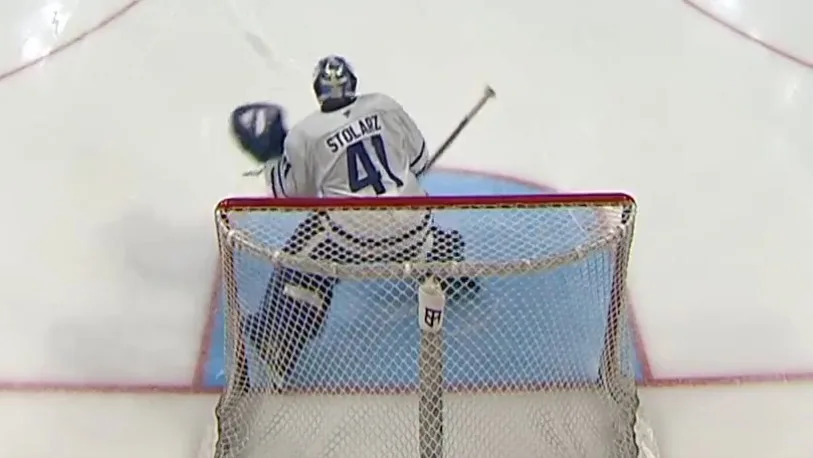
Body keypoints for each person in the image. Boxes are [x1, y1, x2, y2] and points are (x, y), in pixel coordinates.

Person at [229, 55, 475, 386]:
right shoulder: (385, 106)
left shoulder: (306, 133)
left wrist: (275, 160)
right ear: (353, 84)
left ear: (318, 91)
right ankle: (447, 264)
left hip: (351, 239)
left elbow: (291, 194)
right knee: (422, 231)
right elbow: (418, 160)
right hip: (413, 224)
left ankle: (280, 341)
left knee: (299, 258)